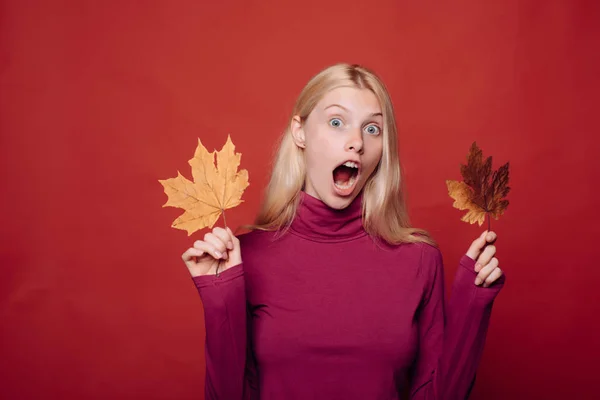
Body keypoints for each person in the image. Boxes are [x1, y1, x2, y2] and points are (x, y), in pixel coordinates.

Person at [181, 64, 506, 400]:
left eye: (373, 129)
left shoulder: (420, 259)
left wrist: (473, 305)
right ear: (300, 131)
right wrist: (221, 299)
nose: (357, 143)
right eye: (337, 123)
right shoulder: (245, 257)